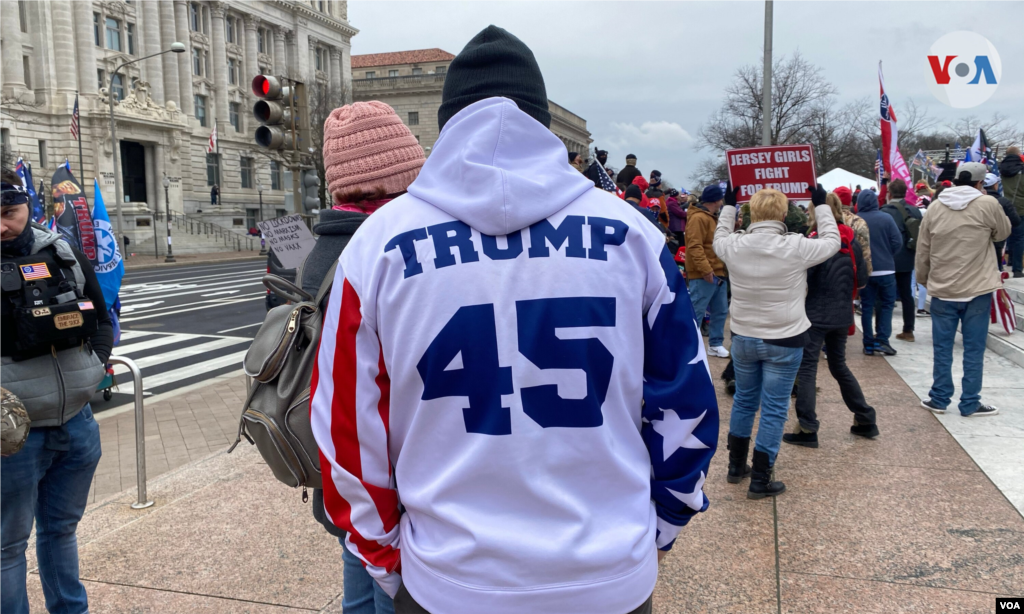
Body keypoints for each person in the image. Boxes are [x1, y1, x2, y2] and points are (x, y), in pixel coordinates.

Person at [310, 26, 718, 614]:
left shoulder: (376, 247)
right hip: (607, 572)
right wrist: (662, 525)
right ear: (542, 121)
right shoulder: (632, 235)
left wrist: (386, 558)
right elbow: (688, 406)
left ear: (446, 123)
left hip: (449, 576)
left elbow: (346, 432)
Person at [302, 100, 427, 614]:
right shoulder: (388, 250)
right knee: (384, 590)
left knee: (356, 573)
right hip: (389, 474)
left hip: (338, 467)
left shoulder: (316, 250)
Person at [0, 168, 113, 614]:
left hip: (77, 423)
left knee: (61, 531)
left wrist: (96, 364)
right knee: (8, 547)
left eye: (9, 213)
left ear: (28, 206)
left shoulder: (61, 251)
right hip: (13, 438)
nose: (1, 225)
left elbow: (102, 319)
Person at [714, 185, 840, 498]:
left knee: (744, 399)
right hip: (785, 337)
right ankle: (760, 478)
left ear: (750, 213)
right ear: (784, 215)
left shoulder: (733, 245)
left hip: (744, 336)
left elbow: (718, 237)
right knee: (773, 409)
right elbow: (832, 242)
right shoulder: (796, 246)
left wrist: (729, 207)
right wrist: (821, 206)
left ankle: (735, 466)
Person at [917, 162, 1011, 417]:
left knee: (942, 348)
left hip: (943, 288)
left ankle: (939, 398)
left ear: (956, 179)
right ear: (980, 183)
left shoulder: (935, 207)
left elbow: (923, 248)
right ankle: (970, 402)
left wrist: (925, 280)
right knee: (973, 349)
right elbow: (1003, 231)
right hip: (977, 286)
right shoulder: (988, 204)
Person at [784, 192, 876, 448]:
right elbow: (863, 278)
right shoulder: (852, 240)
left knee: (808, 369)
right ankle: (865, 417)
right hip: (842, 312)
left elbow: (802, 280)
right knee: (839, 366)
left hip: (815, 312)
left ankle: (807, 427)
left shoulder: (813, 241)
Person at [855, 189, 902, 356]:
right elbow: (897, 242)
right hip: (886, 269)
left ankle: (868, 343)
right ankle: (882, 339)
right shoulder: (886, 218)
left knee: (867, 307)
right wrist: (888, 255)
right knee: (887, 305)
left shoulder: (856, 220)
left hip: (865, 271)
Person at [686, 184, 730, 358]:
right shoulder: (698, 218)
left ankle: (715, 344)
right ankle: (688, 345)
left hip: (717, 271)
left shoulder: (709, 217)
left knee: (720, 311)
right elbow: (694, 246)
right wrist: (705, 269)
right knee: (696, 311)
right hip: (705, 273)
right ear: (717, 200)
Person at [880, 179, 923, 342]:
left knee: (884, 297)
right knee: (906, 295)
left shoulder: (884, 211)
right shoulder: (915, 211)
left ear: (889, 193)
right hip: (907, 257)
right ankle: (908, 330)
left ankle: (882, 331)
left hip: (888, 258)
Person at [984, 173, 1022, 269]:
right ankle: (1015, 269)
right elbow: (1016, 221)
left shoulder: (975, 201)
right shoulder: (1003, 201)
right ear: (996, 185)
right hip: (998, 238)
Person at [999, 146, 1024, 277]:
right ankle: (1017, 269)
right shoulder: (1022, 169)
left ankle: (1004, 263)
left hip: (1005, 206)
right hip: (1021, 207)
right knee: (1019, 238)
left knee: (1006, 236)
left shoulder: (1001, 169)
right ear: (1018, 155)